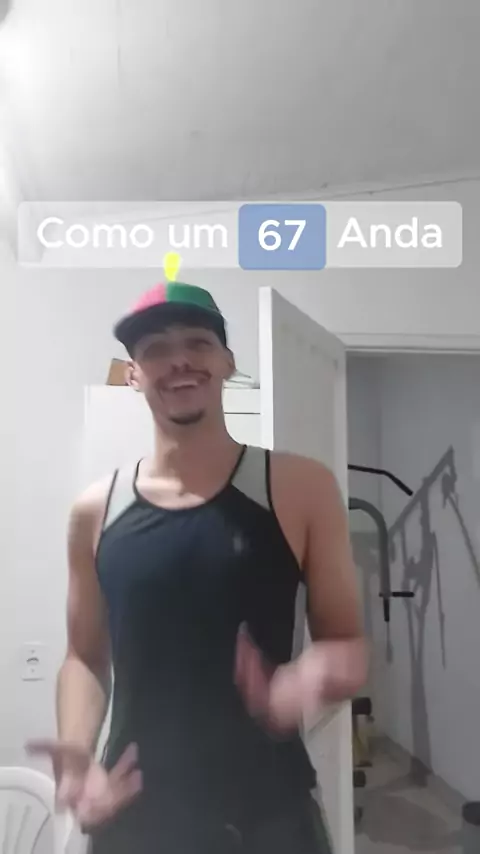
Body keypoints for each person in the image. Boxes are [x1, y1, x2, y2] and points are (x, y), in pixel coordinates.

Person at [27, 282, 368, 853]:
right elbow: (84, 657)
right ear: (133, 374)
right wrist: (80, 752)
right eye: (156, 348)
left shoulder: (299, 487)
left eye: (198, 342)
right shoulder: (95, 512)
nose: (179, 359)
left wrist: (304, 680)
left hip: (269, 816)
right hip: (135, 813)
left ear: (227, 362)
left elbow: (348, 645)